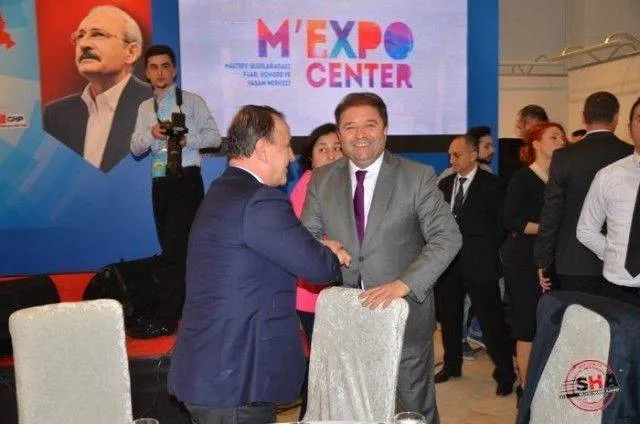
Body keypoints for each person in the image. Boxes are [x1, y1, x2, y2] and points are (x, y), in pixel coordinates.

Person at [168, 105, 349, 424]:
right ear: (264, 149)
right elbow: (319, 268)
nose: (291, 156)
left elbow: (261, 250)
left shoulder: (224, 190)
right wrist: (331, 254)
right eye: (287, 145)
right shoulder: (260, 200)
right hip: (236, 380)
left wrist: (314, 249)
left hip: (214, 372)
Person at [301, 92, 462, 423]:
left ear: (385, 130)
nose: (360, 135)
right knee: (352, 411)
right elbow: (307, 238)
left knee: (413, 410)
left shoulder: (416, 176)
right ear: (340, 134)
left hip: (405, 316)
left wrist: (405, 283)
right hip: (346, 320)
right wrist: (324, 246)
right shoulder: (321, 179)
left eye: (370, 125)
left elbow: (448, 236)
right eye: (350, 127)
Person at [127, 45, 221, 338]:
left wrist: (186, 140)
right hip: (160, 181)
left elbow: (215, 138)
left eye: (165, 66)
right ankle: (185, 313)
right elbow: (135, 148)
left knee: (175, 251)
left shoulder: (192, 102)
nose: (160, 72)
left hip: (186, 181)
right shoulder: (145, 108)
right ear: (146, 73)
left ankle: (167, 317)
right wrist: (151, 134)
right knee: (175, 250)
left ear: (174, 70)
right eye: (154, 67)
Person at [435, 135, 515, 396]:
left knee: (491, 322)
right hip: (449, 265)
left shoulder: (493, 185)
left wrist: (483, 251)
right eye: (450, 155)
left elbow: (501, 225)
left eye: (457, 155)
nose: (452, 160)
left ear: (472, 155)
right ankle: (452, 365)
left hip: (481, 265)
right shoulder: (445, 184)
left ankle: (505, 373)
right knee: (450, 319)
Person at [535, 91, 633, 294]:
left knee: (577, 314)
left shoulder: (564, 157)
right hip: (623, 263)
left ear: (583, 117)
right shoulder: (630, 154)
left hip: (573, 261)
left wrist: (543, 260)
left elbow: (552, 211)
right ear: (616, 117)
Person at [42, 5, 152, 172]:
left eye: (98, 34)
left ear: (130, 52)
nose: (84, 44)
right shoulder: (55, 114)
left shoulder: (157, 103)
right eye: (80, 36)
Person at [501, 122, 567, 398]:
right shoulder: (523, 178)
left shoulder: (561, 178)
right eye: (554, 137)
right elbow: (512, 221)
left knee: (551, 323)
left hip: (552, 258)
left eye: (562, 137)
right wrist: (549, 227)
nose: (561, 141)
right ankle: (526, 389)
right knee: (527, 324)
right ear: (536, 144)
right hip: (523, 259)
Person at [288, 122, 342, 419]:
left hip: (331, 291)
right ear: (311, 156)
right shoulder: (308, 184)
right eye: (323, 149)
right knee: (322, 365)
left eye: (336, 148)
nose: (331, 154)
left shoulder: (341, 183)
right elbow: (301, 239)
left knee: (328, 365)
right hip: (311, 294)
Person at [577, 97, 640, 308]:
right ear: (629, 128)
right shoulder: (608, 175)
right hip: (618, 290)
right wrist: (614, 254)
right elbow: (586, 229)